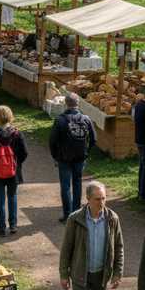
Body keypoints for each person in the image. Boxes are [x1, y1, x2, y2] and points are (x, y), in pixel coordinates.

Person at [49, 92, 96, 222]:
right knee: (77, 184)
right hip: (80, 157)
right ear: (78, 103)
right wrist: (86, 152)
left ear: (66, 104)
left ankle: (67, 215)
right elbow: (94, 139)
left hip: (64, 158)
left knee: (65, 186)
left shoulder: (60, 120)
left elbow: (52, 141)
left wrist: (55, 156)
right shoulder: (86, 119)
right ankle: (78, 213)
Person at [0, 105, 28, 236]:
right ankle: (13, 225)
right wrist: (16, 164)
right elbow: (24, 152)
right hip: (13, 173)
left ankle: (2, 228)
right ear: (10, 116)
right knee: (12, 197)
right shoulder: (17, 133)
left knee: (0, 200)